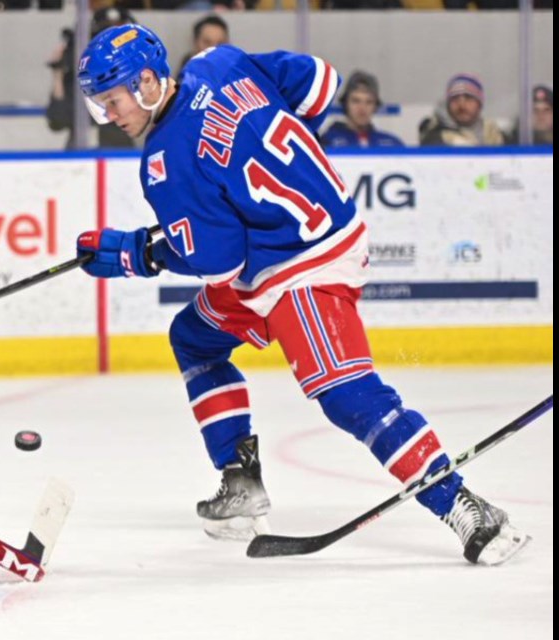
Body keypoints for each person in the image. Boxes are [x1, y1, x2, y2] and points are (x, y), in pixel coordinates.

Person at [72, 24, 529, 565]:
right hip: (306, 236)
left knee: (345, 395)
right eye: (99, 107)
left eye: (112, 101)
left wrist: (137, 254)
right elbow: (320, 83)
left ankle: (465, 507)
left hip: (301, 265)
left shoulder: (164, 165)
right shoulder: (219, 63)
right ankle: (240, 483)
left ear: (147, 81)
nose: (110, 116)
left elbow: (220, 263)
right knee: (194, 337)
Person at [45, 6, 136, 149]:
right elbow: (57, 121)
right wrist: (58, 73)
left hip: (118, 151)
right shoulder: (82, 74)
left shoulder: (138, 74)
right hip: (79, 154)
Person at [320, 70, 403, 148]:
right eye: (356, 101)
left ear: (375, 106)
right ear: (345, 104)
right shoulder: (328, 141)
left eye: (369, 102)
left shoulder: (392, 143)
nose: (362, 108)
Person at [419, 73, 506, 147]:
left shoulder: (496, 135)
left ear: (479, 104)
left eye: (468, 98)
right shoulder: (435, 139)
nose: (461, 105)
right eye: (455, 99)